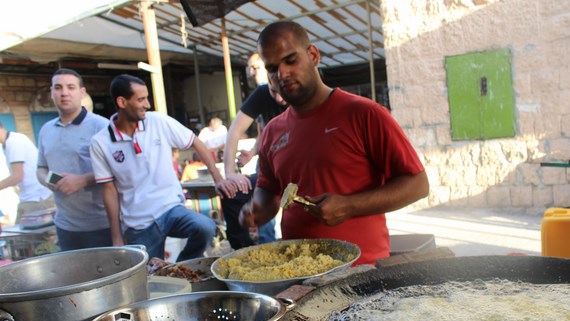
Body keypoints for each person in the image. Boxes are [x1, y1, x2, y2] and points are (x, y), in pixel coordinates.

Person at [240, 21, 429, 265]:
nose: (282, 74)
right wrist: (256, 212)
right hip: (297, 275)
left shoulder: (364, 114)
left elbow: (418, 184)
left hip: (361, 273)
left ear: (313, 55)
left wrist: (350, 206)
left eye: (291, 60)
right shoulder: (272, 133)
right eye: (272, 68)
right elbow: (268, 192)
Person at [90, 74, 237, 261]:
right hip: (138, 223)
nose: (147, 104)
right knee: (151, 279)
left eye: (147, 98)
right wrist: (117, 237)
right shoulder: (100, 143)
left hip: (171, 209)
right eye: (141, 99)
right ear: (122, 102)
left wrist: (219, 180)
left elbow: (196, 142)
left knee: (206, 227)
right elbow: (108, 190)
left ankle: (179, 269)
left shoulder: (157, 121)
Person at [37, 68, 112, 251]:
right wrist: (49, 180)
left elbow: (119, 168)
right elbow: (41, 168)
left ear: (82, 92)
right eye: (58, 87)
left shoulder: (101, 126)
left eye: (70, 87)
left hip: (101, 225)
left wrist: (82, 180)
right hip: (65, 226)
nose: (64, 93)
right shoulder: (46, 130)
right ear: (52, 92)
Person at [222, 52, 287, 249]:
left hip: (294, 166)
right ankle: (243, 252)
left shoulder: (301, 98)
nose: (278, 99)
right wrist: (230, 173)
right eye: (273, 91)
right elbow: (235, 131)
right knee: (231, 192)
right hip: (269, 163)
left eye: (281, 92)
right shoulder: (261, 93)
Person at [0, 122, 53, 223]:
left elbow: (17, 177)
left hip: (36, 198)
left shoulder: (14, 142)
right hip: (30, 197)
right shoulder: (8, 143)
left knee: (23, 237)